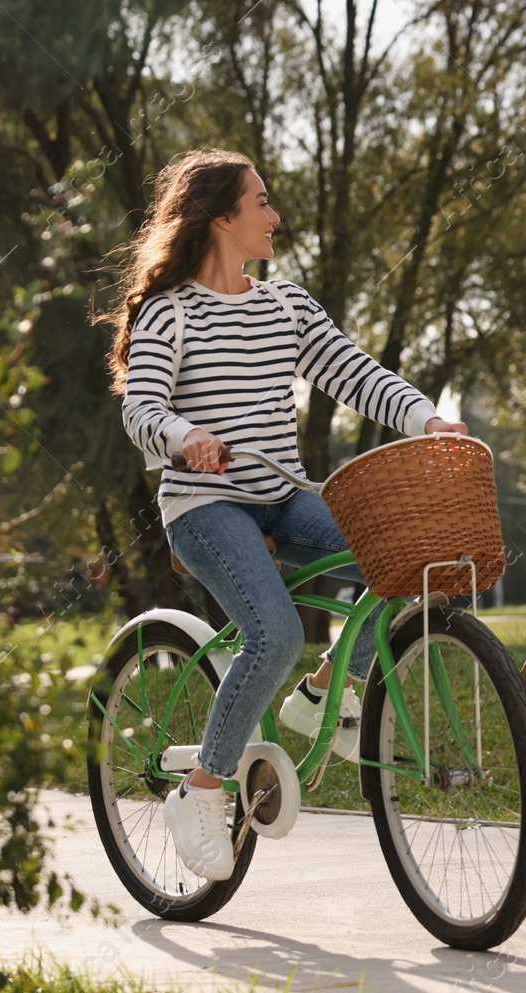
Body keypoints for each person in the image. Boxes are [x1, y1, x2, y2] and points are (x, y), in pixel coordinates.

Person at [104, 147, 467, 880]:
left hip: (283, 492)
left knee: (401, 555)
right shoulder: (167, 314)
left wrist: (427, 419)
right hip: (205, 504)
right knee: (270, 631)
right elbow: (141, 408)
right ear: (220, 217)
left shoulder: (286, 304)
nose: (274, 215)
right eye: (261, 201)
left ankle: (322, 690)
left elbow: (355, 372)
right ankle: (202, 790)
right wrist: (184, 437)